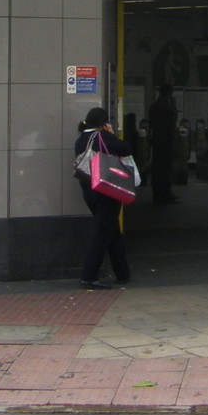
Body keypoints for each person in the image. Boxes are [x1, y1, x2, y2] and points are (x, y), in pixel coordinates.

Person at [74, 107, 132, 289]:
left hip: (89, 190)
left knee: (111, 231)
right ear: (103, 123)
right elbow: (126, 149)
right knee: (102, 234)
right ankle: (88, 276)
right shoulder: (103, 137)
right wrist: (112, 134)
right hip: (107, 190)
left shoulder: (80, 140)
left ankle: (122, 272)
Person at [147, 84, 178, 205]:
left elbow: (151, 124)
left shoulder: (154, 106)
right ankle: (165, 194)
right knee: (166, 169)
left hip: (157, 141)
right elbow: (172, 121)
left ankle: (157, 194)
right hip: (166, 141)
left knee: (157, 169)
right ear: (169, 93)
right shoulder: (168, 107)